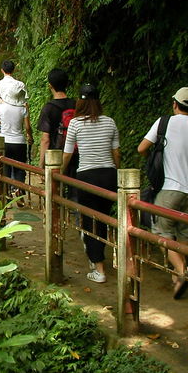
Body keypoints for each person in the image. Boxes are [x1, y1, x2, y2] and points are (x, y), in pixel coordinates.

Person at [137, 87, 188, 299]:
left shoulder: (164, 122)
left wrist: (156, 159)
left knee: (161, 232)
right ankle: (177, 277)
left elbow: (142, 148)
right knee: (184, 234)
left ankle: (182, 271)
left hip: (170, 188)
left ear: (174, 104)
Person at [61, 83, 120, 284]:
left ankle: (99, 269)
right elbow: (116, 153)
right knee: (103, 218)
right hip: (109, 176)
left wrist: (59, 174)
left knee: (90, 221)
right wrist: (116, 173)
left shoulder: (75, 124)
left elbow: (67, 154)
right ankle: (98, 257)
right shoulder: (110, 122)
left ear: (80, 101)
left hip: (87, 177)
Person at [0, 86, 33, 204]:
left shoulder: (1, 108)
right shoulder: (23, 109)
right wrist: (30, 137)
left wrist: (1, 121)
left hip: (5, 142)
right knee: (20, 168)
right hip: (19, 142)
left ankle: (6, 193)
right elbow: (27, 127)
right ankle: (19, 191)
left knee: (5, 167)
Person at [37, 67, 77, 174]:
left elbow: (45, 139)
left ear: (50, 85)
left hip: (55, 158)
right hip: (75, 155)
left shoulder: (48, 108)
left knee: (55, 184)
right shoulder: (76, 105)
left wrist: (41, 164)